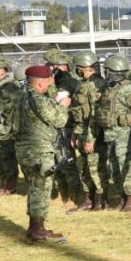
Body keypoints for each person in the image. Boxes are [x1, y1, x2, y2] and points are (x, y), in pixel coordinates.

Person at [16, 65, 71, 241]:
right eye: (48, 81)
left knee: (34, 188)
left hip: (24, 149)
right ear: (40, 84)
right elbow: (59, 120)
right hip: (39, 150)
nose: (50, 84)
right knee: (41, 189)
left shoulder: (20, 97)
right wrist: (63, 106)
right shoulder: (38, 100)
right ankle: (38, 230)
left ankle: (34, 227)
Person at [95, 56, 131, 212]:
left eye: (107, 71)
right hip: (111, 134)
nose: (105, 73)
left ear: (112, 71)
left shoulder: (128, 90)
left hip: (125, 135)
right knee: (114, 167)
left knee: (126, 167)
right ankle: (122, 196)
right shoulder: (111, 88)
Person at [45, 51, 84, 210]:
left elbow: (58, 100)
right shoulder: (55, 82)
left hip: (66, 126)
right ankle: (62, 192)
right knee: (56, 161)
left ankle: (74, 194)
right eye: (51, 66)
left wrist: (52, 83)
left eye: (56, 66)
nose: (53, 69)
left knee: (67, 161)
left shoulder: (69, 83)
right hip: (54, 126)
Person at [70, 51, 109, 211]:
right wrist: (75, 133)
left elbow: (94, 114)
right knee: (85, 168)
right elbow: (78, 111)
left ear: (85, 67)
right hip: (82, 130)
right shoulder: (83, 83)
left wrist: (90, 140)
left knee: (95, 168)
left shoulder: (96, 85)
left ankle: (100, 201)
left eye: (78, 67)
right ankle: (88, 199)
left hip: (94, 133)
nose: (77, 70)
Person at [0, 57, 21, 195]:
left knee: (7, 156)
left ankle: (11, 185)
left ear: (4, 70)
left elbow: (7, 107)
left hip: (5, 127)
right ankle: (3, 182)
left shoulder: (9, 85)